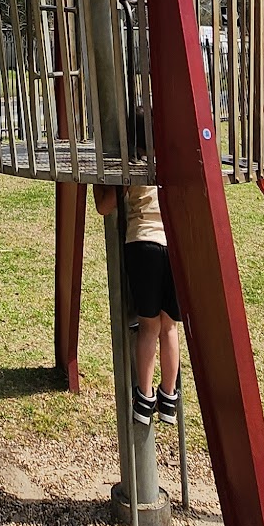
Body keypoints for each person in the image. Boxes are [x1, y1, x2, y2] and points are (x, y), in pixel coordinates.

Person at [95, 178, 181, 427]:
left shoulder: (132, 165)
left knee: (148, 326)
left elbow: (104, 206)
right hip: (174, 242)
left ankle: (144, 398)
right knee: (169, 326)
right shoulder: (173, 162)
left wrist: (96, 183)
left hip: (143, 242)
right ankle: (168, 398)